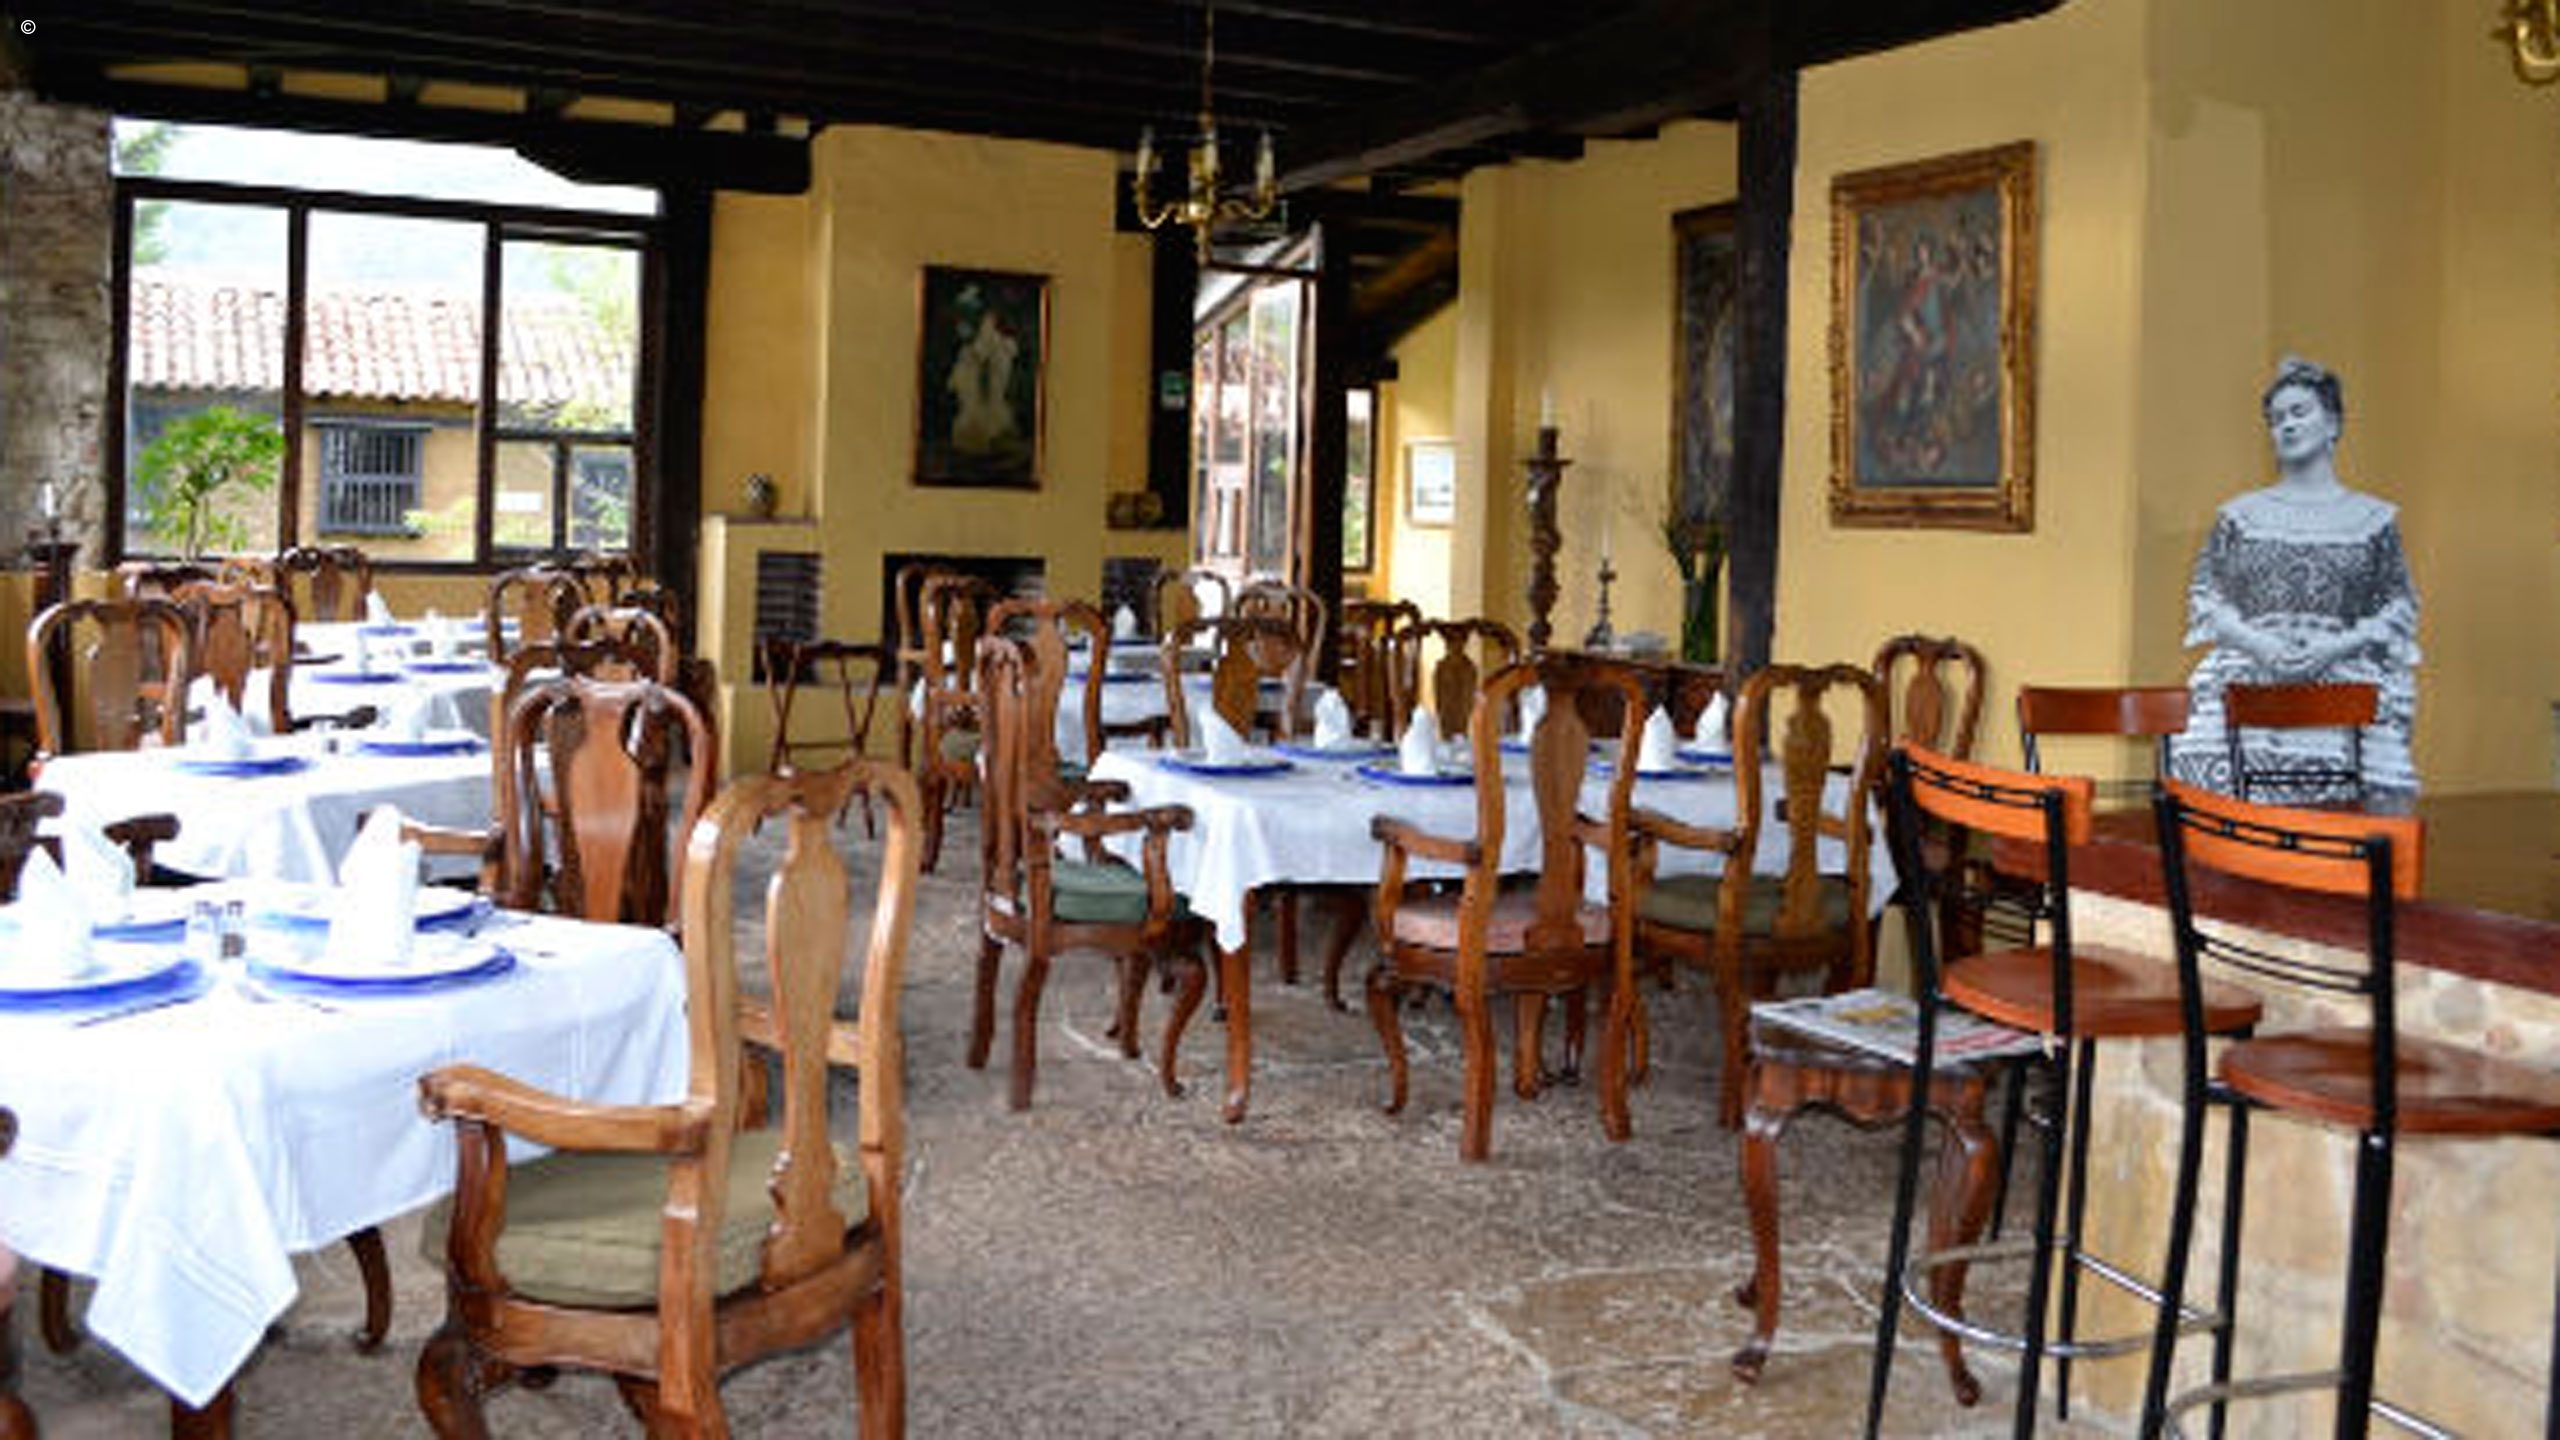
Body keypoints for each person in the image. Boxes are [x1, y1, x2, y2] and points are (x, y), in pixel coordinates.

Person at [2168, 355, 2420, 797]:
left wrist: (2335, 647)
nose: (2286, 426)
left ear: (2333, 423)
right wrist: (2260, 644)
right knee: (2216, 780)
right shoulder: (2238, 517)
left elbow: (2398, 607)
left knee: (2355, 788)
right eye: (2276, 419)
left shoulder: (2374, 520)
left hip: (2343, 690)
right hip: (2247, 683)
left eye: (2299, 412)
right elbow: (2207, 599)